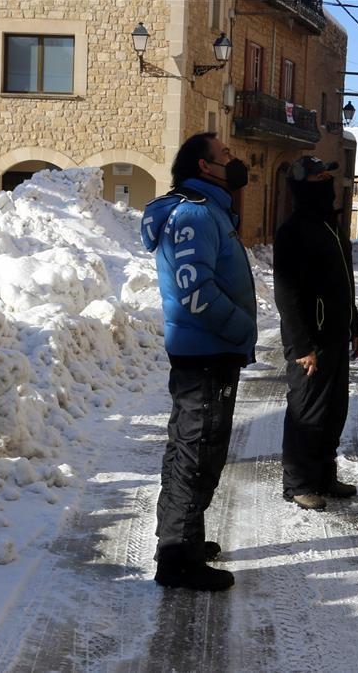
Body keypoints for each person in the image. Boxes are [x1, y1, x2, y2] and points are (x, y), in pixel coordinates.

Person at [140, 133, 255, 591]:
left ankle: (181, 539)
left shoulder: (207, 211)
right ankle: (176, 561)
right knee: (198, 452)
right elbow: (195, 294)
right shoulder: (193, 214)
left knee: (191, 447)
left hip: (208, 351)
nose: (234, 159)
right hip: (206, 352)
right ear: (206, 167)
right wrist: (241, 329)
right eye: (225, 154)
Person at [273, 156, 358, 511]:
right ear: (304, 184)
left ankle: (324, 475)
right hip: (310, 341)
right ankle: (298, 483)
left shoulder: (329, 225)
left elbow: (344, 284)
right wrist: (302, 346)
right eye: (320, 175)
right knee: (307, 411)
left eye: (329, 173)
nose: (327, 178)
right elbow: (286, 295)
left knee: (333, 411)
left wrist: (354, 326)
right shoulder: (294, 230)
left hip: (335, 336)